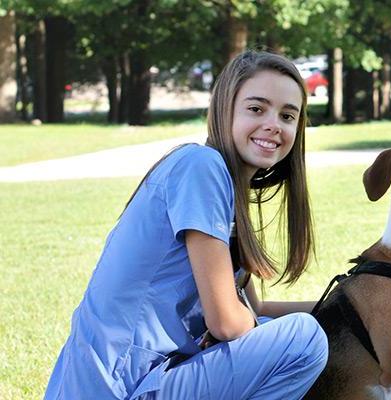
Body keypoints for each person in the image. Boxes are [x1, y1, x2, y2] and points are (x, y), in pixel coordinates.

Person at [44, 50, 329, 400]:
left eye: (288, 115)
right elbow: (226, 321)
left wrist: (347, 304)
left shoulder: (225, 193)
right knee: (304, 339)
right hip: (115, 387)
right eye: (257, 109)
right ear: (224, 110)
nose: (273, 124)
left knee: (284, 330)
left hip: (138, 382)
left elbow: (254, 312)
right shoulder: (201, 166)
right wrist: (263, 325)